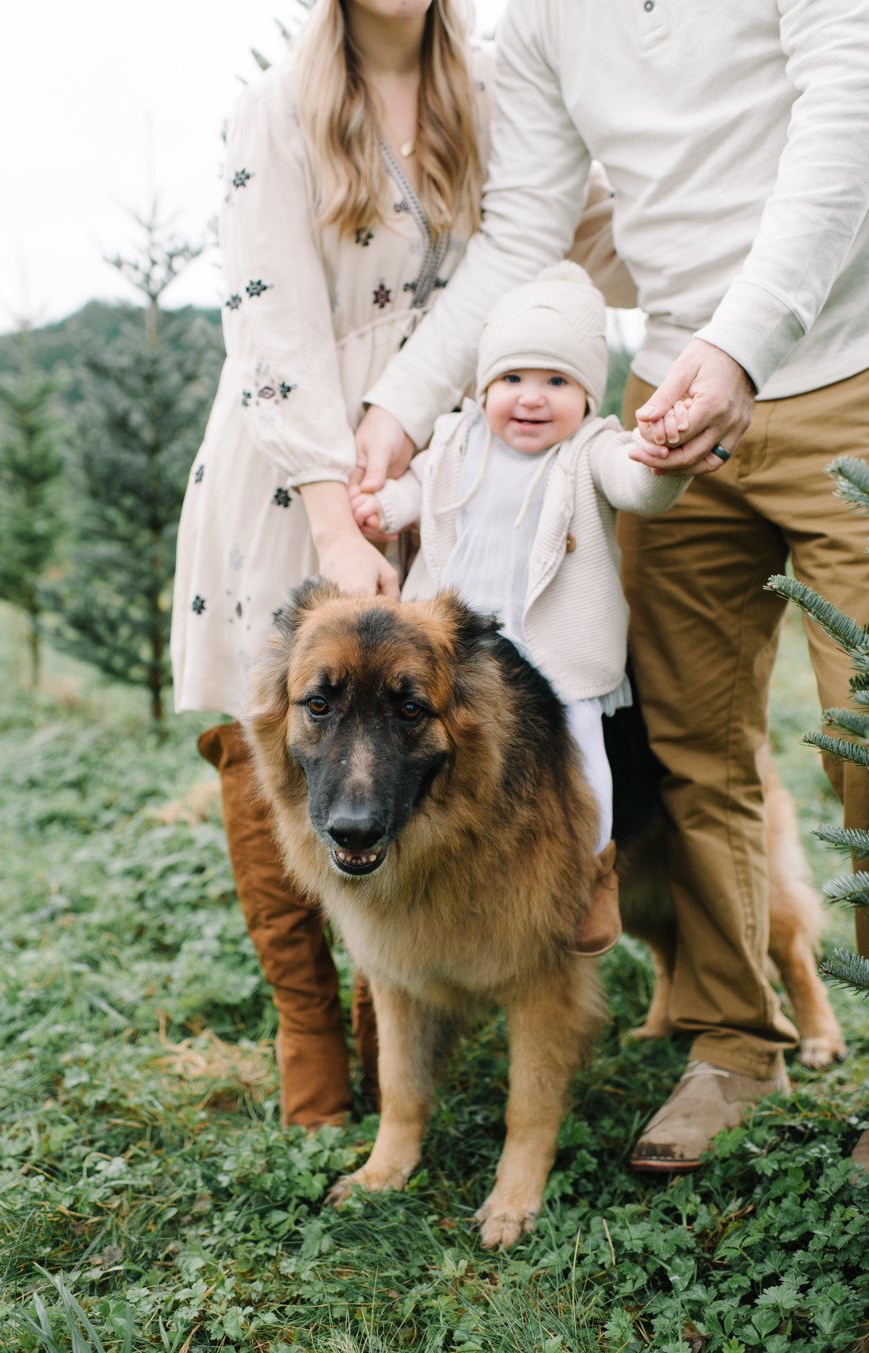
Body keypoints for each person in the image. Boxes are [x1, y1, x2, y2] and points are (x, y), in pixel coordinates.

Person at [355, 0, 869, 1168]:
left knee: (866, 740)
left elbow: (846, 136)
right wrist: (402, 403)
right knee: (689, 746)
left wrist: (744, 346)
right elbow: (528, 226)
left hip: (844, 362)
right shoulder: (538, 14)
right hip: (673, 410)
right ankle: (734, 1045)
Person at [171, 0, 630, 1130]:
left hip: (456, 453)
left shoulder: (499, 85)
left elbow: (592, 234)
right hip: (301, 457)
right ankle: (310, 1031)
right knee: (286, 721)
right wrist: (335, 522)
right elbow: (269, 322)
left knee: (433, 714)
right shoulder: (275, 110)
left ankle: (412, 1025)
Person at [352, 261, 690, 953]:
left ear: (588, 394)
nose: (531, 399)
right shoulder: (458, 437)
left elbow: (637, 487)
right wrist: (382, 506)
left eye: (557, 382)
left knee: (588, 762)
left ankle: (597, 873)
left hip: (558, 649)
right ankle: (450, 867)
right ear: (485, 386)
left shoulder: (593, 448)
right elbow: (416, 488)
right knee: (444, 748)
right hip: (455, 644)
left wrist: (661, 462)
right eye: (512, 379)